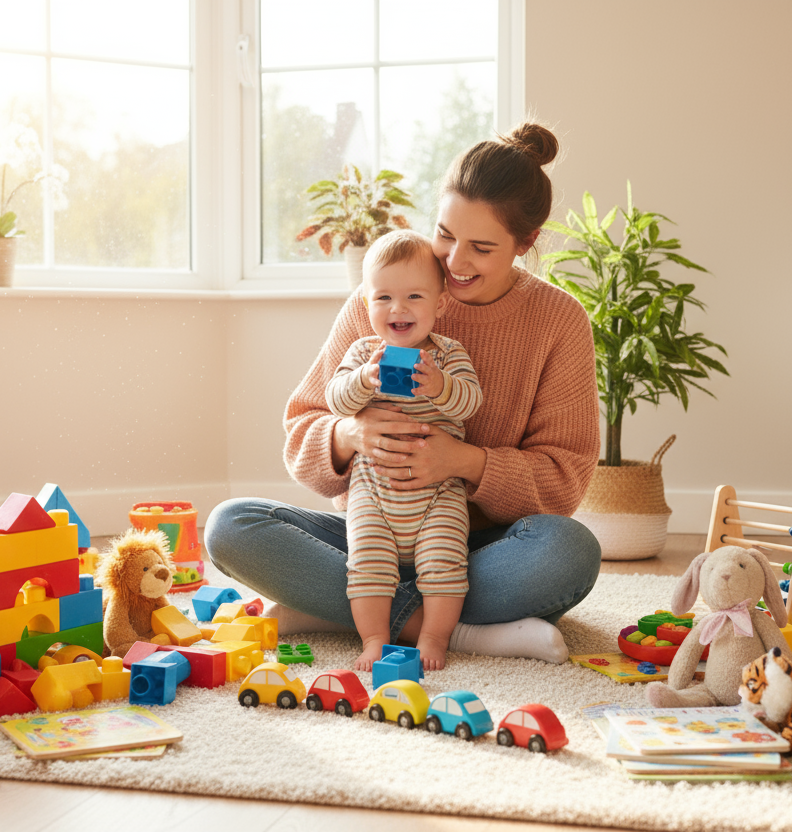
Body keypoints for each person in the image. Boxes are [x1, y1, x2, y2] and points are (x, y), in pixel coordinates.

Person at [205, 122, 602, 664]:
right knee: (231, 525)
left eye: (481, 247)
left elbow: (564, 480)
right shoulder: (385, 298)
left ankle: (342, 609)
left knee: (569, 554)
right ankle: (455, 631)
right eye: (445, 234)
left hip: (476, 547)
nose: (454, 262)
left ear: (525, 243)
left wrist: (464, 462)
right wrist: (349, 434)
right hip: (371, 532)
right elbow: (302, 431)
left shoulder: (559, 321)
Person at [327, 229, 483, 671]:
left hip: (438, 495)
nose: (398, 309)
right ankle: (374, 638)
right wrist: (362, 382)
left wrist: (439, 386)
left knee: (446, 563)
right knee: (367, 565)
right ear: (365, 303)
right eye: (383, 298)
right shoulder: (362, 353)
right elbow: (334, 400)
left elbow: (471, 403)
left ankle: (434, 637)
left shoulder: (450, 355)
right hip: (373, 493)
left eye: (414, 296)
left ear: (440, 303)